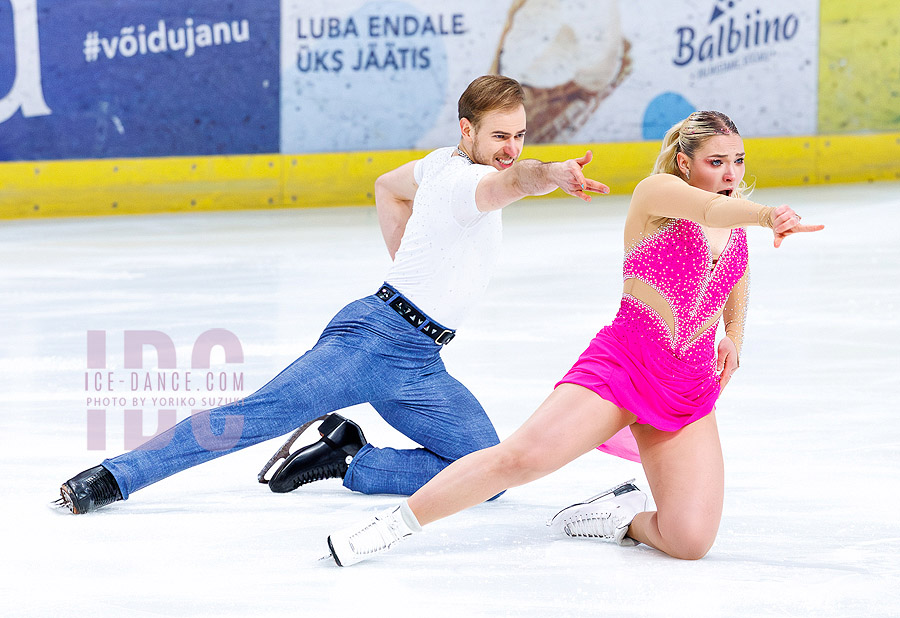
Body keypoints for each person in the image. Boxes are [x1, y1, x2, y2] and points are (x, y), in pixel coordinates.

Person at [56, 75, 611, 514]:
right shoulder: (466, 182)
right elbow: (514, 182)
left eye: (519, 136)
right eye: (499, 136)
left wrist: (408, 264)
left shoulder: (440, 163)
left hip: (420, 360)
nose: (510, 148)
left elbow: (388, 188)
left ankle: (351, 459)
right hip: (371, 344)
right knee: (253, 417)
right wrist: (549, 175)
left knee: (487, 474)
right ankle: (114, 477)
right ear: (467, 130)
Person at [326, 110, 825, 566]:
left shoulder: (734, 217)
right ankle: (390, 527)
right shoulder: (657, 194)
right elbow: (711, 212)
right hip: (625, 366)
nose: (731, 173)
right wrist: (767, 215)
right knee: (520, 459)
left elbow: (736, 275)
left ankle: (615, 518)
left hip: (688, 384)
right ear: (684, 162)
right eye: (717, 162)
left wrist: (733, 334)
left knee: (689, 540)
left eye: (738, 161)